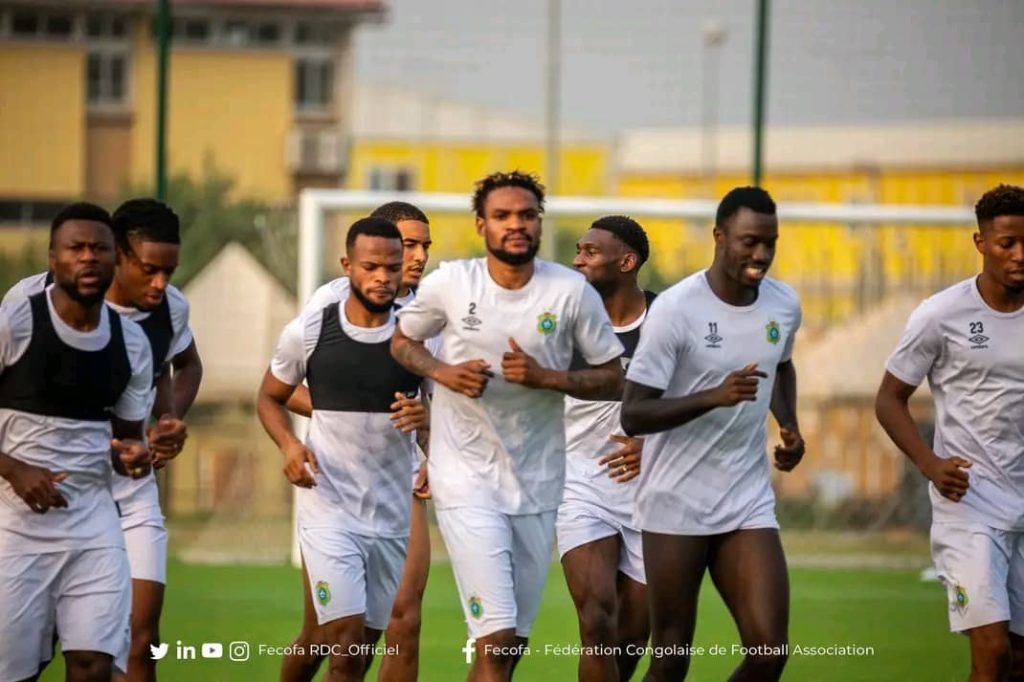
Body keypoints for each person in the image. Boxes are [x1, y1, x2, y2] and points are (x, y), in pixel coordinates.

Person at [391, 170, 625, 681]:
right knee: (495, 640)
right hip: (466, 480)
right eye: (502, 216)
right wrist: (442, 372)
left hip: (539, 485)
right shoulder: (452, 284)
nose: (515, 224)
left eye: (526, 215)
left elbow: (614, 378)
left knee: (509, 646)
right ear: (481, 224)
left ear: (540, 222)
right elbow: (402, 342)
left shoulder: (570, 293)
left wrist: (548, 377)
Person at [3, 199, 202, 682]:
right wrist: (14, 468)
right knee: (23, 662)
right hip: (21, 508)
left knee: (128, 647)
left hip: (110, 503)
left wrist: (162, 428)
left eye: (169, 272)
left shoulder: (147, 330)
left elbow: (139, 423)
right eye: (150, 270)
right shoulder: (21, 312)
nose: (161, 284)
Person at [621, 186, 804, 682]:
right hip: (674, 501)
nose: (761, 255)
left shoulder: (783, 303)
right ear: (720, 237)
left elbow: (781, 366)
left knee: (769, 650)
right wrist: (711, 396)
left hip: (745, 498)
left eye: (770, 242)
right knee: (672, 656)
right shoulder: (677, 310)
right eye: (749, 242)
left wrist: (788, 424)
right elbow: (633, 415)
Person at [257, 217, 428, 682]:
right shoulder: (311, 329)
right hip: (329, 506)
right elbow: (269, 395)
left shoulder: (419, 334)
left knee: (354, 655)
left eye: (392, 267)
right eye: (371, 266)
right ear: (347, 266)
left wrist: (429, 430)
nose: (383, 277)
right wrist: (290, 444)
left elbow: (444, 411)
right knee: (345, 641)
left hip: (390, 513)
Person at [875, 184, 1024, 682]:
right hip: (970, 504)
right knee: (992, 650)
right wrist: (931, 465)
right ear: (981, 243)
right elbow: (888, 398)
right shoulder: (942, 314)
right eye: (1007, 243)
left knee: (1018, 659)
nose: (1019, 254)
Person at [559, 216, 655, 681]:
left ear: (628, 261)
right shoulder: (561, 323)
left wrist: (653, 447)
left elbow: (706, 402)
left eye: (591, 251)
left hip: (656, 495)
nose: (578, 259)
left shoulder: (668, 321)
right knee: (597, 619)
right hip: (578, 484)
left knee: (630, 641)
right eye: (578, 249)